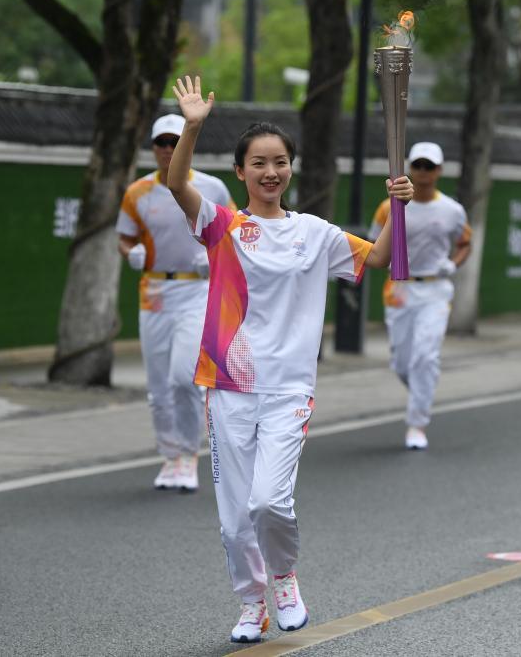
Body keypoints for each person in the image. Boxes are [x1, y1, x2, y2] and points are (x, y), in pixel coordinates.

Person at [167, 76, 413, 643]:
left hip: (288, 389)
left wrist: (396, 209)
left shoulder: (314, 234)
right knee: (235, 518)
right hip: (229, 386)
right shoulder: (224, 227)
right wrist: (192, 126)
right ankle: (251, 603)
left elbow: (377, 258)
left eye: (279, 162)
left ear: (291, 169)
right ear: (240, 172)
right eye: (258, 163)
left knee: (268, 502)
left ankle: (282, 577)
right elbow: (176, 182)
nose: (270, 172)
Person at [116, 113, 235, 492]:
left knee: (184, 377)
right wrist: (131, 253)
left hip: (197, 290)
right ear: (153, 147)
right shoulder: (137, 193)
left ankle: (188, 453)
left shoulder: (212, 188)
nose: (168, 149)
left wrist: (213, 257)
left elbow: (234, 232)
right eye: (162, 143)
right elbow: (125, 237)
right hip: (154, 292)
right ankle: (169, 456)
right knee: (158, 386)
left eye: (174, 142)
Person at [368, 142, 471, 450]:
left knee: (425, 357)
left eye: (430, 166)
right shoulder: (388, 207)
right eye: (418, 165)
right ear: (410, 168)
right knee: (402, 363)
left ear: (439, 171)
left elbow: (465, 242)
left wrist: (452, 264)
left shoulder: (452, 210)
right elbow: (374, 244)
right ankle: (422, 390)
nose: (423, 172)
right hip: (400, 289)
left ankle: (417, 424)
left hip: (435, 289)